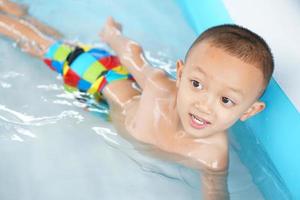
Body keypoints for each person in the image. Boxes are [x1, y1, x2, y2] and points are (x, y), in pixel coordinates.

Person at [0, 3, 274, 199]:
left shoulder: (213, 158)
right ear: (180, 74)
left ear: (249, 110)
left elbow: (215, 193)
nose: (203, 104)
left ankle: (22, 13)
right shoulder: (160, 88)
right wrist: (112, 36)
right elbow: (132, 57)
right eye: (197, 84)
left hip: (105, 110)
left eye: (226, 100)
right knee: (37, 45)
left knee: (58, 43)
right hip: (100, 78)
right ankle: (16, 21)